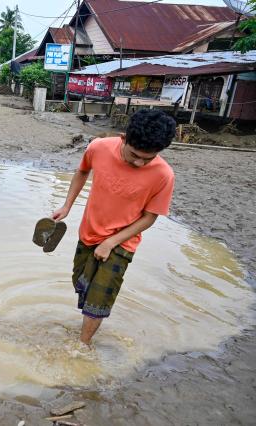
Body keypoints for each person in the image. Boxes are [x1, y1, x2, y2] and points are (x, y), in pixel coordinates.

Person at [52, 109, 176, 347]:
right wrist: (67, 206)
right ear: (123, 137)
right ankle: (86, 327)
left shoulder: (164, 175)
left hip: (122, 243)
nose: (140, 163)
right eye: (134, 155)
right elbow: (82, 171)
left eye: (147, 159)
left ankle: (83, 345)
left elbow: (149, 218)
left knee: (100, 297)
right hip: (88, 234)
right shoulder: (99, 147)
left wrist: (110, 242)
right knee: (81, 284)